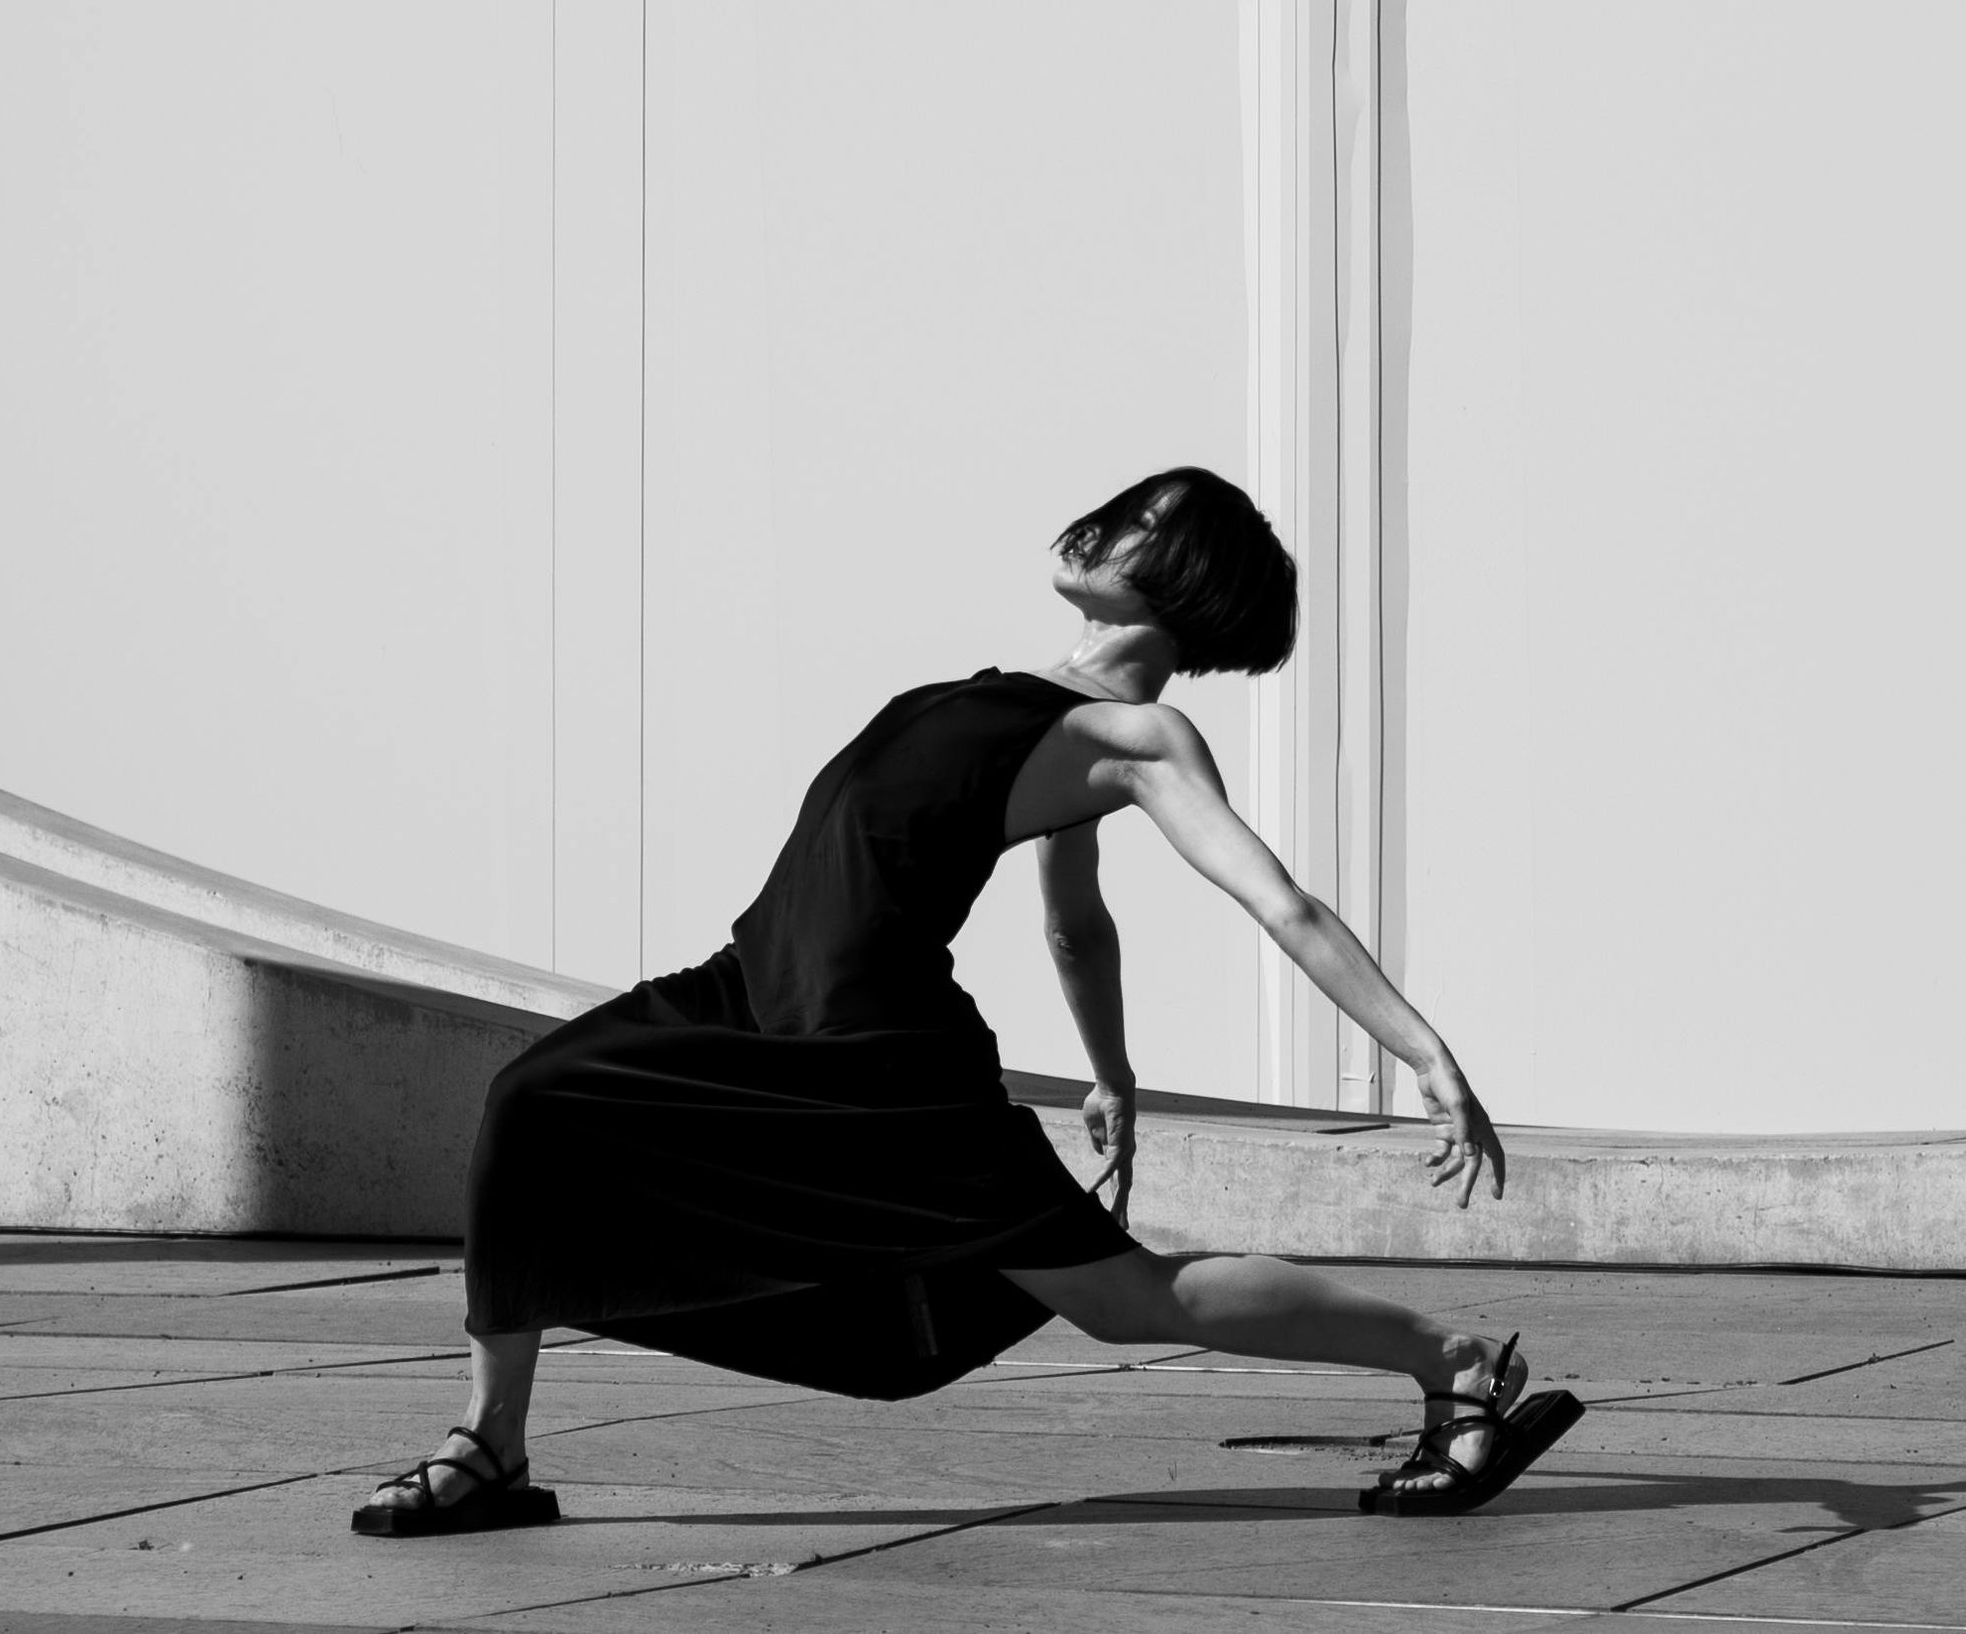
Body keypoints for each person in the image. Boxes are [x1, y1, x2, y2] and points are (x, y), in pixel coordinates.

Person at [354, 467, 1580, 1534]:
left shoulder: (1138, 736)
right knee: (531, 1106)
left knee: (1119, 1301)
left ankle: (1453, 1358)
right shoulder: (1014, 699)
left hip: (877, 1053)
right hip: (743, 992)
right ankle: (491, 1448)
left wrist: (1423, 1050)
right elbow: (1070, 919)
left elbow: (1284, 904)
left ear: (1188, 577)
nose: (1095, 531)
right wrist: (1110, 1069)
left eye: (1138, 523)